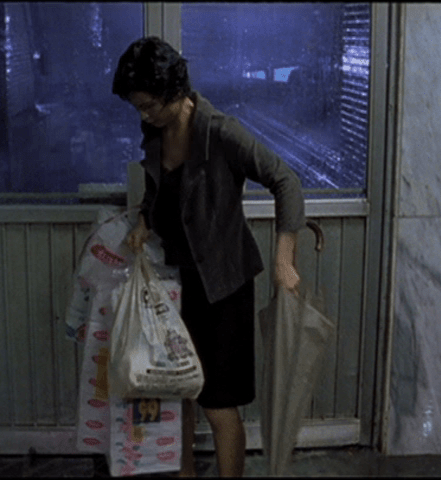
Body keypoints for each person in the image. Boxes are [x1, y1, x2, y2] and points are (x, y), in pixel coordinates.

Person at [112, 36, 305, 477]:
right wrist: (144, 220)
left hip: (222, 287)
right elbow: (159, 189)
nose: (143, 116)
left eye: (148, 106)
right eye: (137, 108)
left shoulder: (221, 132)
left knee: (218, 404)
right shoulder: (155, 131)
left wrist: (284, 260)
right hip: (174, 285)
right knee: (178, 393)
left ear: (173, 91)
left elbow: (286, 182)